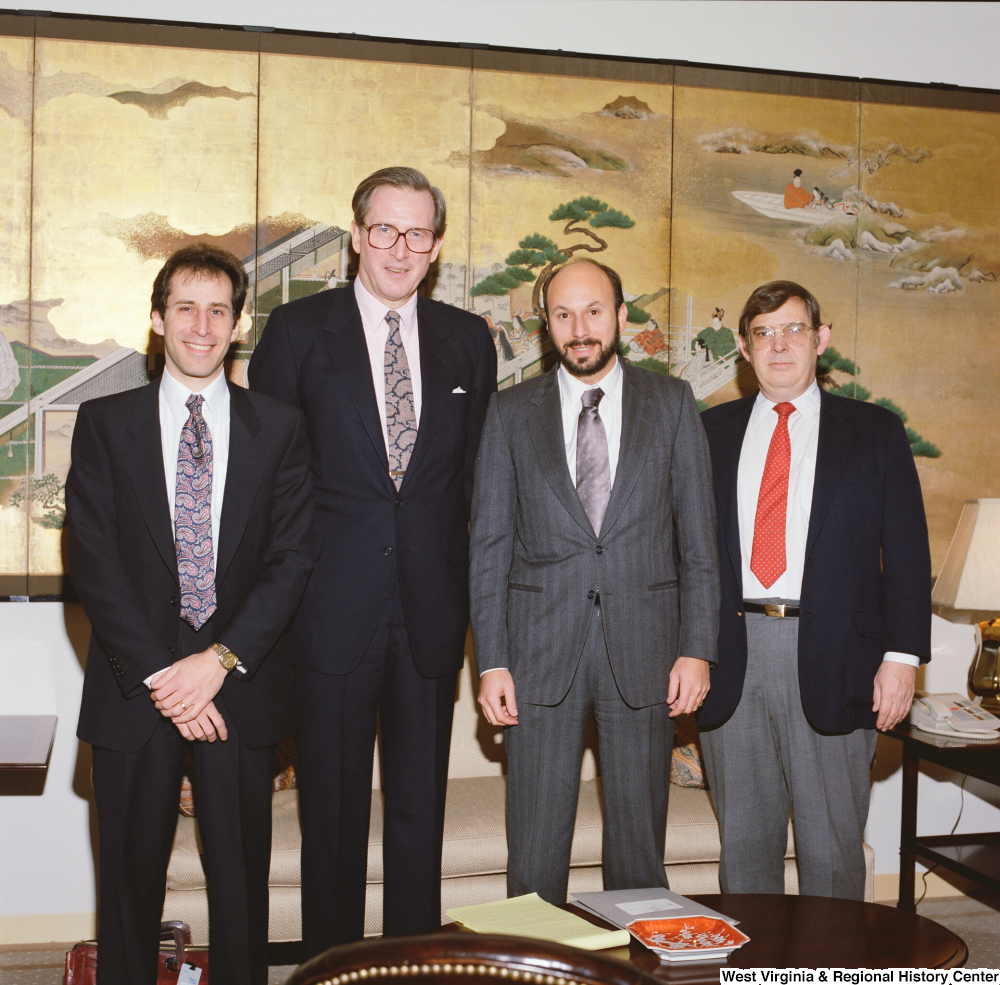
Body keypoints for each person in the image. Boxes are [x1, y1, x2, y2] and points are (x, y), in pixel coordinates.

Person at [248, 166, 497, 951]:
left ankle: (411, 970)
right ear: (356, 236)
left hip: (428, 613)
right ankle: (332, 970)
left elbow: (476, 485)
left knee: (420, 815)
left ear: (436, 247)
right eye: (383, 229)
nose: (399, 247)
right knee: (333, 818)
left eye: (417, 232)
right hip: (328, 612)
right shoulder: (295, 331)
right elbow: (268, 486)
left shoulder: (468, 340)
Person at [68, 243, 314, 985]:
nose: (201, 327)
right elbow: (92, 560)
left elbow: (293, 557)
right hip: (131, 693)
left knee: (240, 894)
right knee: (127, 892)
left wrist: (217, 660)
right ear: (157, 319)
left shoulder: (281, 426)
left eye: (218, 310)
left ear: (238, 323)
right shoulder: (105, 423)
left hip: (237, 689)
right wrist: (162, 675)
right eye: (185, 309)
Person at [470, 258, 720, 904]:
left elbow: (698, 541)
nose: (579, 328)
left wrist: (697, 647)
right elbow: (490, 548)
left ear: (622, 315)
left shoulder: (671, 402)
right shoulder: (508, 412)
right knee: (534, 851)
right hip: (537, 655)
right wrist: (491, 661)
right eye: (562, 314)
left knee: (640, 851)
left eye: (593, 311)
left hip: (645, 651)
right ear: (544, 324)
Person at [698, 280, 931, 900]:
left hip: (837, 656)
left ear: (820, 340)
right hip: (732, 653)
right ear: (744, 350)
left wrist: (902, 659)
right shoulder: (708, 433)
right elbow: (686, 553)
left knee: (831, 852)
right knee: (744, 850)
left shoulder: (875, 431)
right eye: (763, 333)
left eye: (793, 330)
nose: (779, 346)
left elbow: (908, 553)